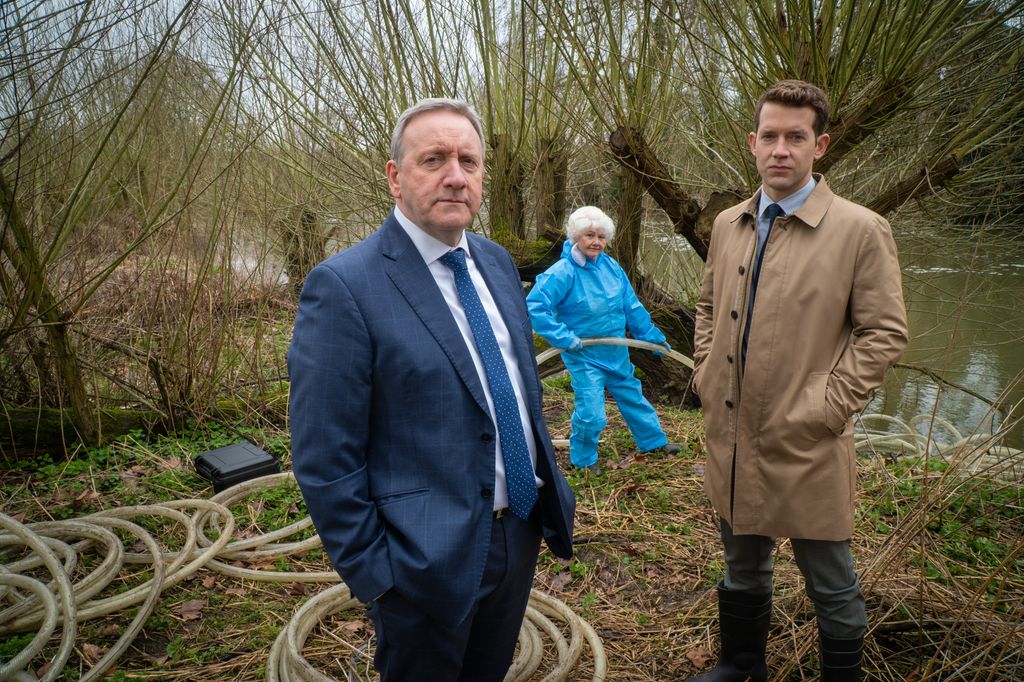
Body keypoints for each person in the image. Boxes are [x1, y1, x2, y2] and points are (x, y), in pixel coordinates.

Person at [288, 98, 575, 682]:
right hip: (419, 564)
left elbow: (517, 392)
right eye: (434, 159)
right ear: (396, 177)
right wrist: (379, 578)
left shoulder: (496, 264)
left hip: (517, 531)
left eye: (469, 161)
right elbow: (323, 457)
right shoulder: (344, 287)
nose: (455, 175)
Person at [689, 80, 908, 681]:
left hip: (807, 436)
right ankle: (740, 665)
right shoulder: (728, 224)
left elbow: (884, 332)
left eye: (796, 137)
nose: (780, 149)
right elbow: (708, 305)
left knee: (831, 580)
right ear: (753, 142)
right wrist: (708, 371)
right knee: (742, 564)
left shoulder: (862, 230)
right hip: (731, 431)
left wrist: (826, 405)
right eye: (770, 136)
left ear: (821, 145)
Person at [526, 206, 680, 475]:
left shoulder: (612, 267)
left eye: (601, 236)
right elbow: (536, 306)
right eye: (589, 235)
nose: (596, 242)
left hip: (616, 350)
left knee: (633, 396)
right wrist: (564, 338)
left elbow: (631, 306)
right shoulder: (562, 272)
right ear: (576, 237)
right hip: (583, 353)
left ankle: (653, 443)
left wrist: (651, 336)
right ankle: (584, 460)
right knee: (591, 411)